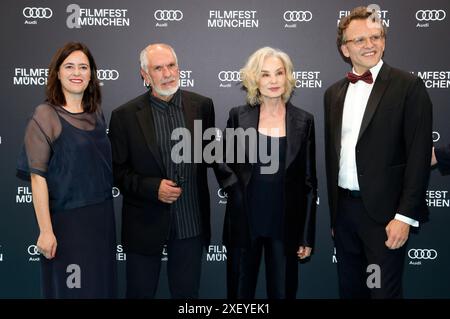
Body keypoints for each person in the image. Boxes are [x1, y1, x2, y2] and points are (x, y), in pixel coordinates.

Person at [324, 6, 433, 298]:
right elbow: (332, 158)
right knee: (351, 292)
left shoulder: (408, 87)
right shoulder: (333, 94)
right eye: (359, 40)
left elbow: (419, 156)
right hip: (345, 215)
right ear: (345, 49)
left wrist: (404, 217)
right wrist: (335, 217)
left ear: (384, 41)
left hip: (385, 218)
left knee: (381, 293)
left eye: (376, 37)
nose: (369, 44)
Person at [108, 43, 215, 299]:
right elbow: (117, 172)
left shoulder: (202, 106)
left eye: (171, 65)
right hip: (144, 227)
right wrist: (152, 188)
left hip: (190, 224)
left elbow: (211, 156)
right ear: (145, 75)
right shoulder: (124, 116)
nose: (167, 73)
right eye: (158, 68)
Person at [16, 42, 117, 298]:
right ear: (57, 73)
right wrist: (46, 230)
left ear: (91, 74)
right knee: (72, 290)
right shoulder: (45, 116)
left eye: (83, 67)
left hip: (101, 219)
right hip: (68, 224)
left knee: (99, 290)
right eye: (69, 66)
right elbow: (37, 178)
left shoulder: (96, 114)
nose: (77, 72)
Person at [216, 47, 317, 299]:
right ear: (255, 80)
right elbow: (221, 159)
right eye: (265, 75)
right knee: (239, 296)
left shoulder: (304, 121)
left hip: (285, 224)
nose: (273, 81)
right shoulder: (238, 116)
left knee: (283, 293)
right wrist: (236, 190)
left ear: (287, 77)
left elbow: (309, 182)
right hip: (244, 222)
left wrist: (305, 235)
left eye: (279, 73)